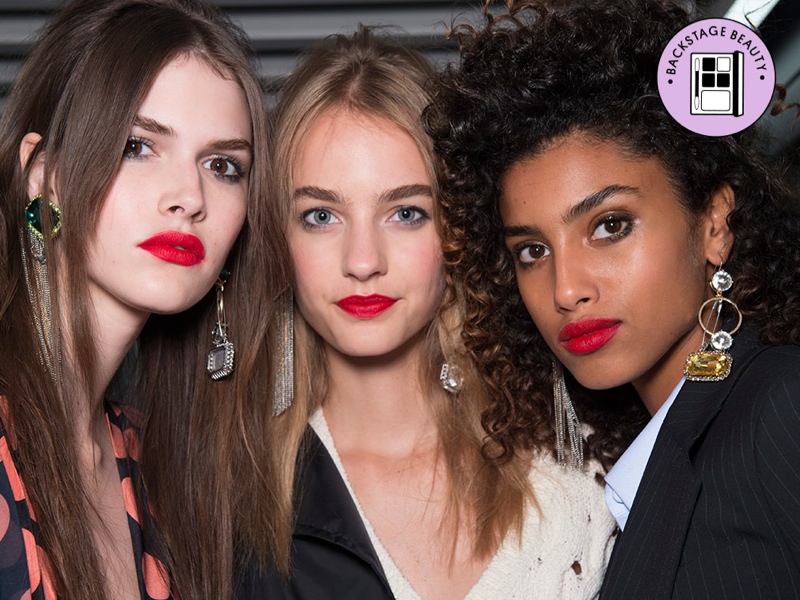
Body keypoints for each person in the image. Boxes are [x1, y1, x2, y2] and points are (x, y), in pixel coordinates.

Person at [425, 0, 800, 598]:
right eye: (532, 251)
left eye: (609, 225)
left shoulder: (779, 405)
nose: (567, 289)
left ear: (714, 224)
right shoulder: (663, 448)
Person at [239, 27, 625, 600]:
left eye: (406, 213)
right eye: (321, 216)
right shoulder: (232, 491)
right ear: (277, 236)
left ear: (457, 228)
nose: (363, 261)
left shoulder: (579, 460)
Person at [0, 0, 286, 598]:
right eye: (138, 146)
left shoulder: (152, 458)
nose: (190, 195)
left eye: (223, 165)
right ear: (43, 177)